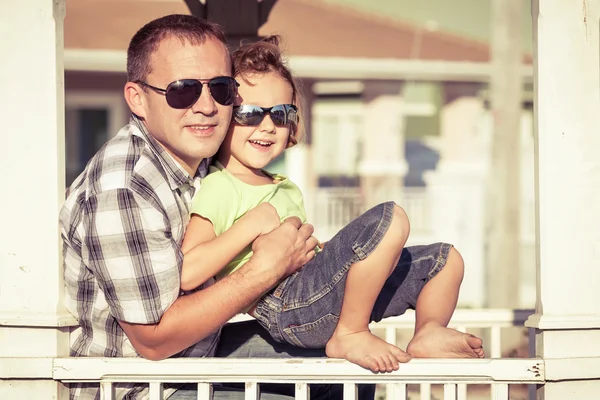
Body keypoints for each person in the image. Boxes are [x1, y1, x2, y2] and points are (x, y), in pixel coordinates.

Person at [57, 13, 478, 400]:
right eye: (183, 90)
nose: (206, 106)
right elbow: (153, 340)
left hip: (197, 359)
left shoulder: (198, 164)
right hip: (147, 387)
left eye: (221, 89)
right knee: (338, 369)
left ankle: (426, 327)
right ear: (137, 98)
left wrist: (315, 260)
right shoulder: (125, 186)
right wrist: (267, 266)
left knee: (351, 371)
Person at [179, 35, 485, 374]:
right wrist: (250, 226)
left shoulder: (286, 188)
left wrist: (324, 252)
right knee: (390, 219)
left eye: (281, 114)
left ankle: (428, 332)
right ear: (224, 116)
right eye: (249, 113)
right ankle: (350, 333)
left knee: (444, 261)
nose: (267, 126)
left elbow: (303, 261)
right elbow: (189, 271)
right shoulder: (220, 185)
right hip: (286, 307)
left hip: (316, 296)